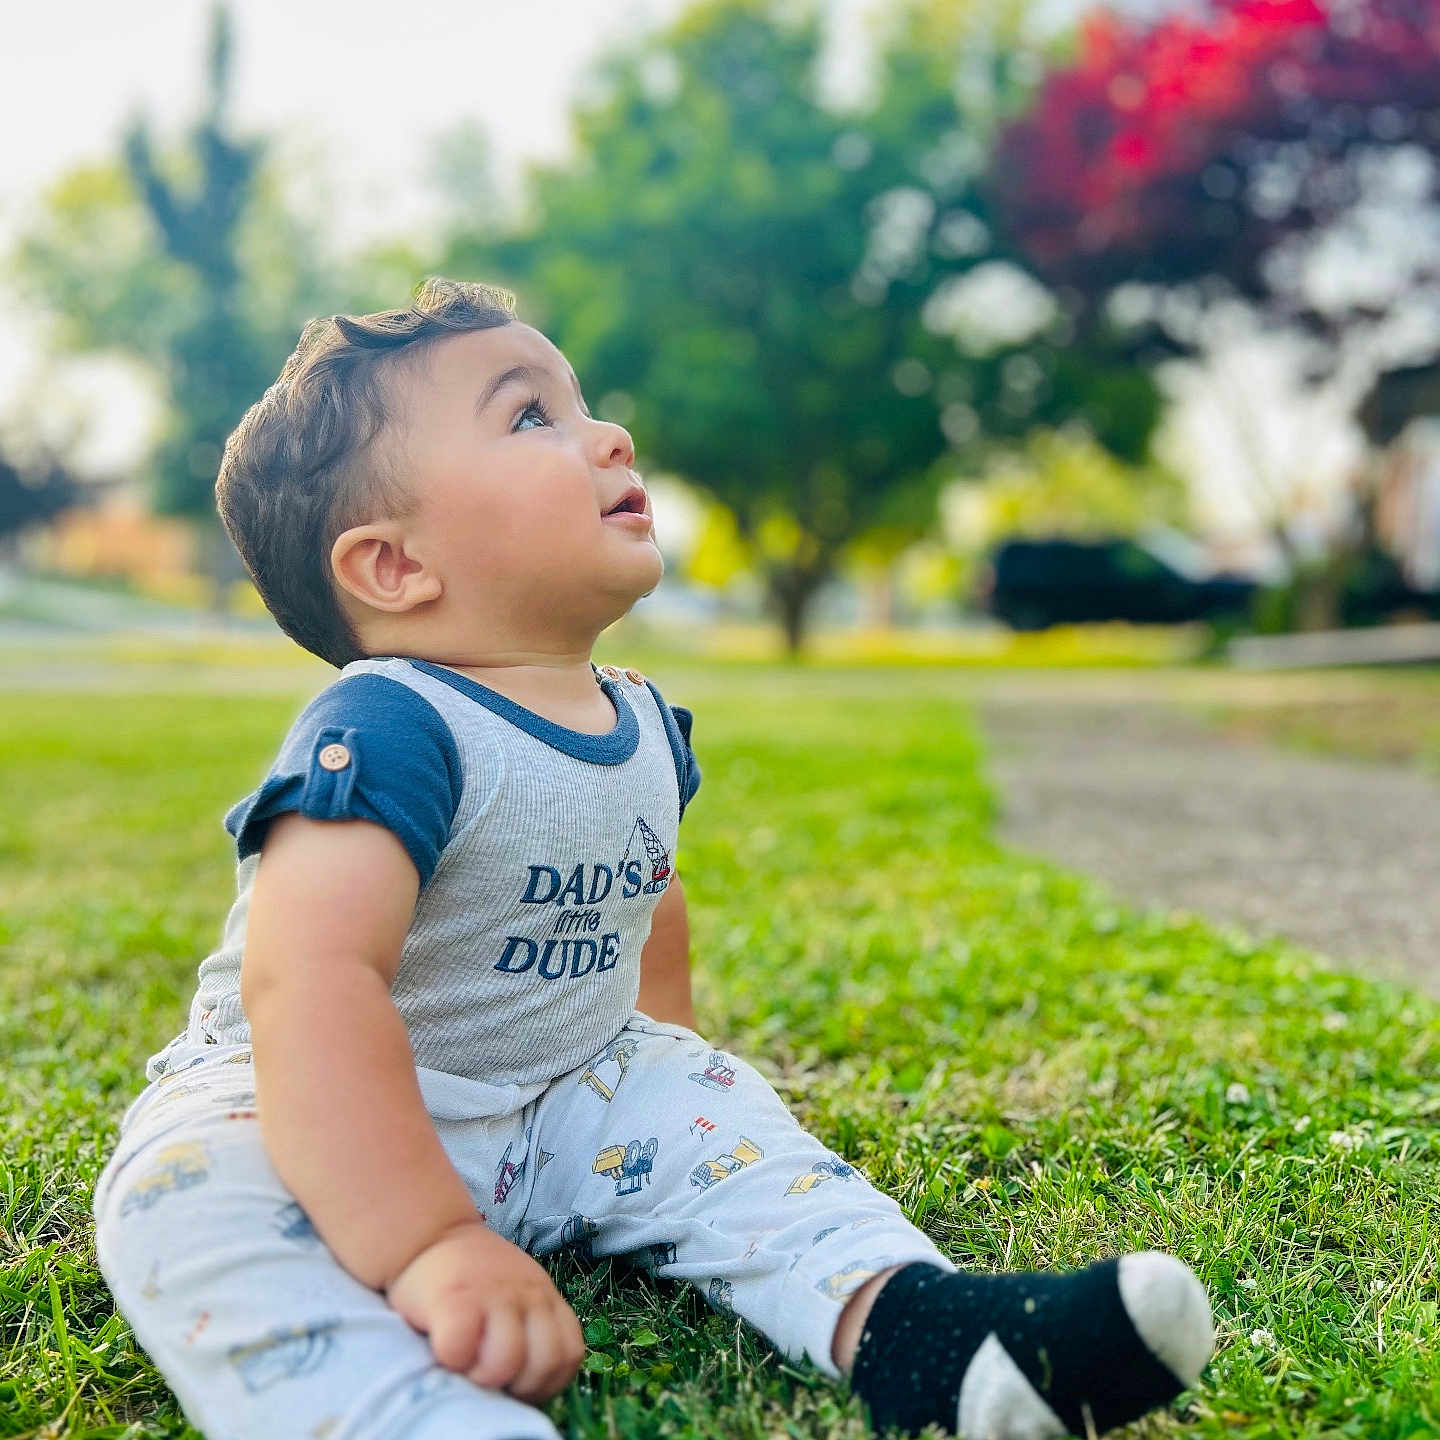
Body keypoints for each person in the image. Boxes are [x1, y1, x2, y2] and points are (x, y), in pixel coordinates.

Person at [91, 277, 1214, 1440]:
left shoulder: (637, 720)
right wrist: (428, 1240)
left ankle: (922, 1331)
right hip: (311, 1104)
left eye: (580, 405)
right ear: (391, 568)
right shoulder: (392, 724)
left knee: (728, 1112)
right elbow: (308, 983)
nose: (607, 435)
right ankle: (401, 1414)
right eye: (530, 417)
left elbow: (646, 898)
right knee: (187, 1209)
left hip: (558, 1102)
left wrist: (671, 1083)